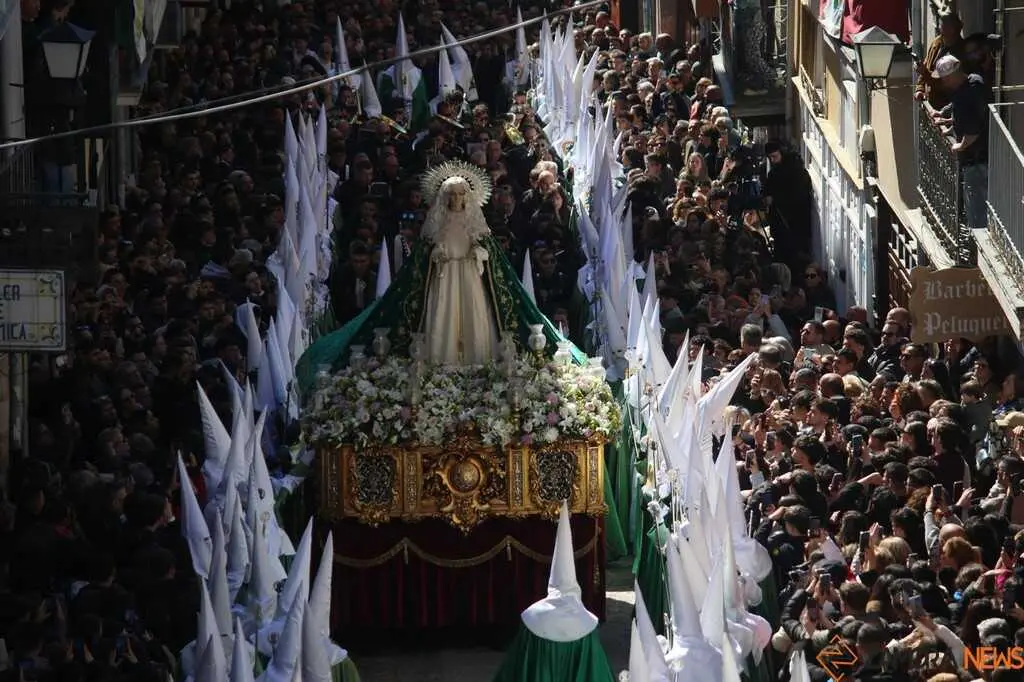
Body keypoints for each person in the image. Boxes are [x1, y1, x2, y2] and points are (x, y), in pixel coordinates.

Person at [419, 162, 502, 365]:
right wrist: (437, 254)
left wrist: (478, 251)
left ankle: (477, 359)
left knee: (472, 311)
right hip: (445, 274)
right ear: (445, 196)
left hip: (469, 272)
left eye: (460, 193)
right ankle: (443, 359)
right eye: (452, 194)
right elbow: (429, 248)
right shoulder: (438, 221)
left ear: (467, 196)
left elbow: (485, 247)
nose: (456, 198)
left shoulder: (473, 220)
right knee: (444, 313)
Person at [929, 55, 990, 230]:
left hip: (976, 159)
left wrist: (960, 146)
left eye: (944, 79)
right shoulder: (972, 81)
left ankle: (977, 246)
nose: (943, 83)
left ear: (950, 76)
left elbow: (972, 131)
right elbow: (958, 107)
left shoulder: (967, 93)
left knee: (977, 208)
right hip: (981, 155)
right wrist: (943, 113)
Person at [914, 12, 966, 109]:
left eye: (942, 24)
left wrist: (925, 73)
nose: (939, 27)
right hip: (930, 103)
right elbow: (926, 64)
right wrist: (920, 88)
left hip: (945, 106)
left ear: (952, 29)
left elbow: (946, 84)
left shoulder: (960, 52)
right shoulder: (937, 42)